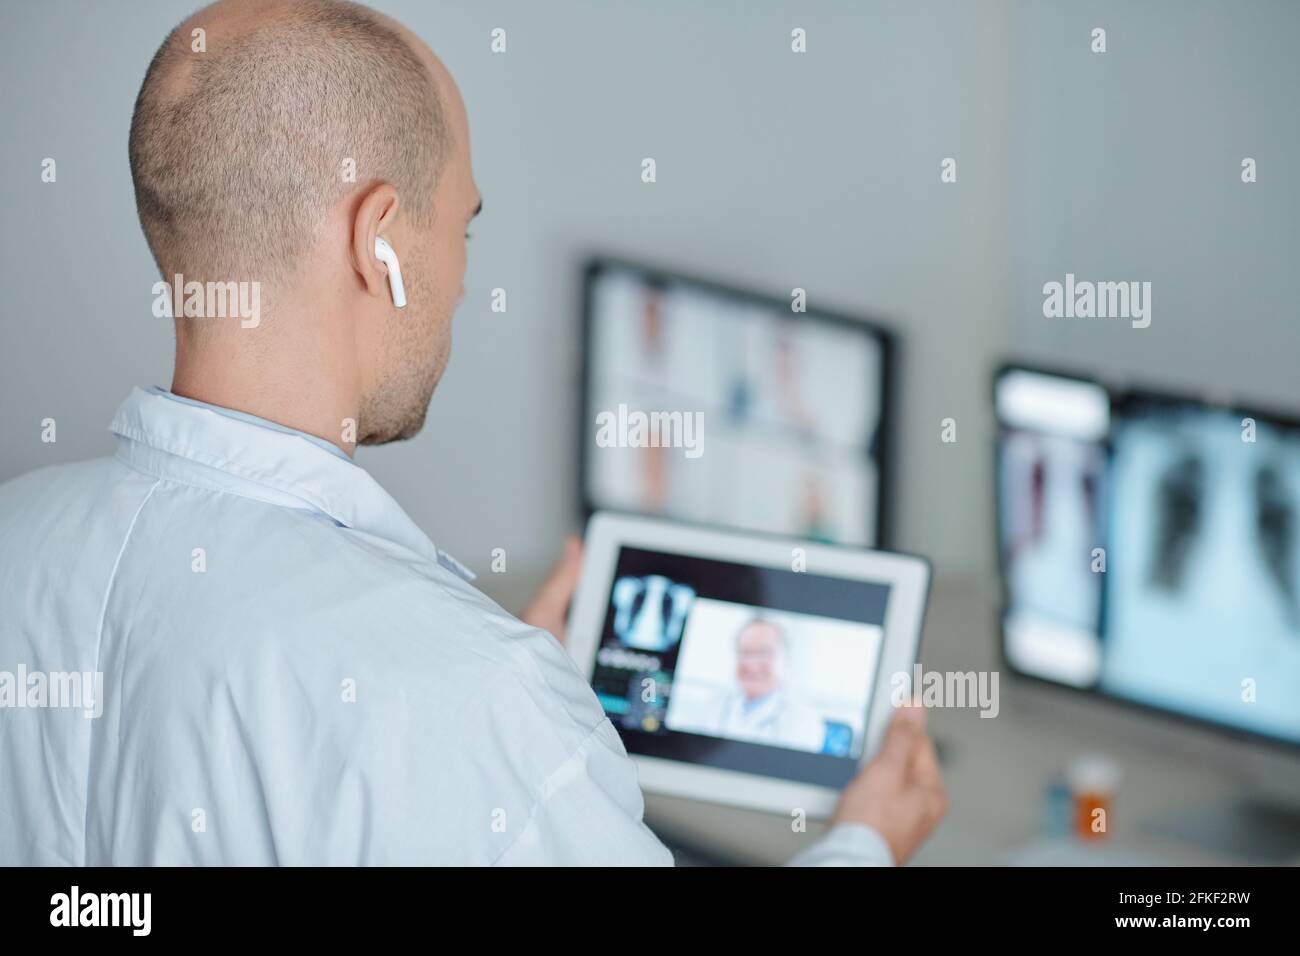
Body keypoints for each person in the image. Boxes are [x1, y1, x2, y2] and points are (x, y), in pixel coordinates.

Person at [0, 0, 946, 866]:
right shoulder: (468, 698)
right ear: (378, 241)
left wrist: (501, 701)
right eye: (464, 229)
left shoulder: (17, 536)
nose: (460, 283)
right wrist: (865, 840)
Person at [672, 618, 828, 753]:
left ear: (786, 660)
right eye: (745, 652)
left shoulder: (804, 720)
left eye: (764, 653)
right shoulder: (713, 704)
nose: (751, 664)